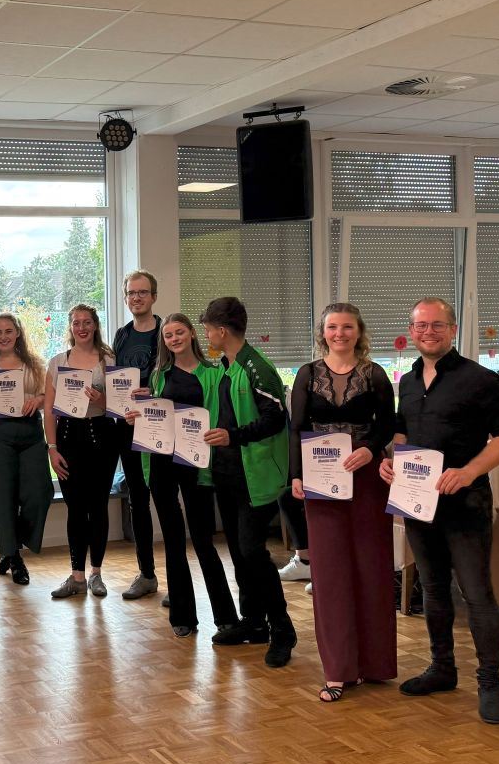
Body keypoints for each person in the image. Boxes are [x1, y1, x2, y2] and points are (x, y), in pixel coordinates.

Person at [379, 297, 499, 724]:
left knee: (477, 594)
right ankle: (442, 668)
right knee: (433, 589)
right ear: (411, 331)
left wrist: (469, 470)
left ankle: (490, 683)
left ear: (452, 330)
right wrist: (391, 460)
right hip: (418, 502)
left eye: (437, 325)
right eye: (420, 326)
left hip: (465, 504)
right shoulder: (407, 381)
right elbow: (403, 432)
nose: (428, 332)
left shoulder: (480, 379)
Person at [288, 303, 397, 701]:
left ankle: (374, 664)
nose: (339, 333)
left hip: (366, 477)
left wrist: (369, 449)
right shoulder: (306, 373)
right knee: (330, 572)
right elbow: (296, 428)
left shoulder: (375, 373)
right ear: (323, 332)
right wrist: (296, 475)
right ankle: (338, 671)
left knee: (371, 567)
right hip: (321, 478)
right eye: (332, 327)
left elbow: (388, 423)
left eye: (347, 327)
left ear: (359, 331)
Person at [124, 314, 238, 638]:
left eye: (179, 332)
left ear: (192, 335)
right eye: (168, 335)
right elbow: (153, 418)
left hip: (195, 465)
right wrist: (137, 418)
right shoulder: (158, 375)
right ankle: (182, 615)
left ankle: (226, 617)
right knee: (173, 541)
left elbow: (218, 419)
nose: (174, 339)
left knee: (203, 540)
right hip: (162, 463)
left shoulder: (213, 374)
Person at [200, 296, 297, 668]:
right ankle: (254, 622)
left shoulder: (257, 367)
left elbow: (275, 418)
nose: (207, 336)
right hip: (227, 473)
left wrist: (233, 436)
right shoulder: (225, 366)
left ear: (222, 331)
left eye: (209, 329)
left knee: (253, 553)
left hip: (255, 476)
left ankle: (282, 629)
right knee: (240, 554)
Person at [45, 303, 120, 599]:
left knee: (98, 506)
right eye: (76, 323)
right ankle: (76, 577)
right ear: (70, 327)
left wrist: (101, 399)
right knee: (75, 508)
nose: (82, 328)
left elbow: (120, 405)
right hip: (67, 438)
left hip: (101, 435)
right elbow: (49, 411)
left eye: (87, 322)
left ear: (95, 325)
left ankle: (96, 574)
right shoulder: (57, 362)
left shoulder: (109, 359)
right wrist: (52, 448)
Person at [0, 312, 51, 586]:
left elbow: (47, 395)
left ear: (17, 333)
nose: (3, 336)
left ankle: (10, 544)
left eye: (8, 331)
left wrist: (38, 400)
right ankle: (14, 558)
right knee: (4, 498)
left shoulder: (34, 363)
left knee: (40, 492)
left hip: (30, 434)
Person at [111, 270, 161, 601]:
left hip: (158, 426)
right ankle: (147, 574)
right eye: (131, 293)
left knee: (167, 500)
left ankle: (180, 581)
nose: (136, 298)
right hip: (127, 427)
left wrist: (153, 392)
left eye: (142, 292)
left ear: (153, 296)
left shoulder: (166, 332)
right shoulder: (122, 335)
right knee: (137, 501)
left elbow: (179, 378)